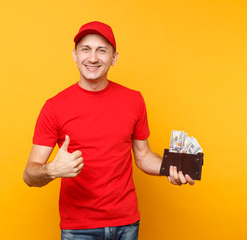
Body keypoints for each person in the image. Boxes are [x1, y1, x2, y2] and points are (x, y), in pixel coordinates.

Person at [23, 21, 195, 240]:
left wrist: (173, 168)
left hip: (127, 224)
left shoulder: (134, 100)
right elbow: (29, 175)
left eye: (101, 50)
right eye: (86, 49)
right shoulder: (54, 107)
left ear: (114, 58)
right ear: (75, 55)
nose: (93, 58)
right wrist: (52, 170)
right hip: (78, 229)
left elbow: (143, 157)